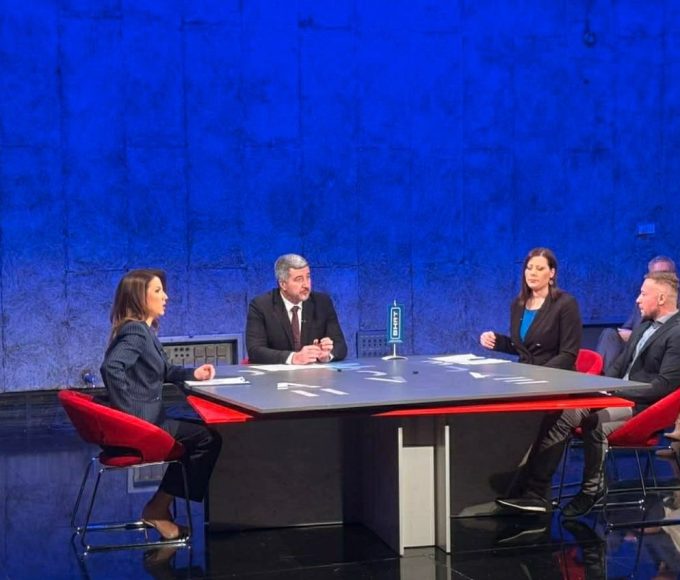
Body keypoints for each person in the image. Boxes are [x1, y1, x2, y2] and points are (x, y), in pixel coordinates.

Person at [497, 271, 680, 519]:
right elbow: (620, 364)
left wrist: (616, 390)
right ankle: (535, 492)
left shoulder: (676, 333)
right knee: (565, 414)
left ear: (661, 298)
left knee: (595, 422)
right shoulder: (644, 326)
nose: (637, 299)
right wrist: (600, 385)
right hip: (618, 396)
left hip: (643, 406)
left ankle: (592, 490)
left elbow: (664, 386)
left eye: (643, 294)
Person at [100, 269, 222, 541]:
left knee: (201, 432)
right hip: (144, 422)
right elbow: (111, 368)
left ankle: (160, 506)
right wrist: (129, 415)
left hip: (151, 417)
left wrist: (193, 373)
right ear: (139, 297)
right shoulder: (136, 331)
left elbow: (164, 370)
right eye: (157, 291)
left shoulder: (143, 330)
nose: (165, 296)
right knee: (207, 439)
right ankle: (157, 508)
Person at [479, 247, 582, 369]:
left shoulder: (565, 303)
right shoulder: (518, 304)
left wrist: (539, 374)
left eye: (540, 269)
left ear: (552, 273)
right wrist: (496, 341)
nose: (533, 273)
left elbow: (568, 354)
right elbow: (524, 348)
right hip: (526, 373)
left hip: (555, 375)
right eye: (529, 268)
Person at [245, 253, 348, 364]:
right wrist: (293, 357)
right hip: (278, 373)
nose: (306, 285)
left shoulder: (322, 303)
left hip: (314, 373)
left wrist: (327, 355)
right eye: (299, 279)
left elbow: (340, 346)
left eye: (308, 277)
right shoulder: (261, 305)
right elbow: (255, 351)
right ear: (283, 284)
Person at [597, 256, 676, 374]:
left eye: (665, 273)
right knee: (609, 334)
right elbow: (627, 326)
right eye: (656, 274)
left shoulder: (674, 303)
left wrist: (635, 336)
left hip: (655, 347)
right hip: (635, 342)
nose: (661, 278)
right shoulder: (644, 301)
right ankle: (602, 377)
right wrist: (627, 334)